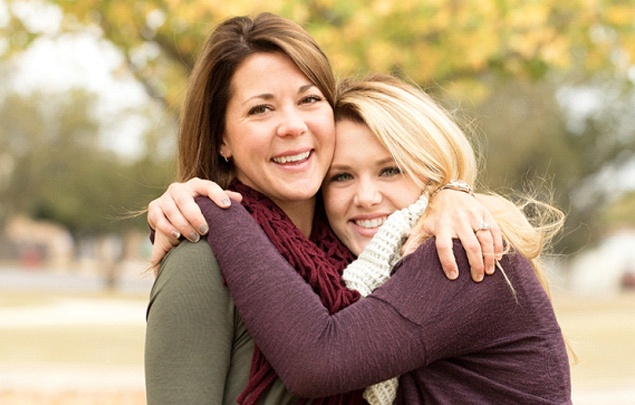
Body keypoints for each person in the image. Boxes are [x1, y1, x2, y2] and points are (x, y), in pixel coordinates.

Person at [145, 12, 503, 405]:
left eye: (309, 99)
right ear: (221, 140)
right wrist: (213, 210)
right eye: (261, 109)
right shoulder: (201, 255)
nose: (292, 126)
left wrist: (449, 193)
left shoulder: (364, 248)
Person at [189, 74, 572, 403]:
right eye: (342, 177)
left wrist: (215, 205)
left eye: (390, 170)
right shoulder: (369, 264)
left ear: (432, 172)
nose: (367, 197)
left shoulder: (457, 251)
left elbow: (319, 363)